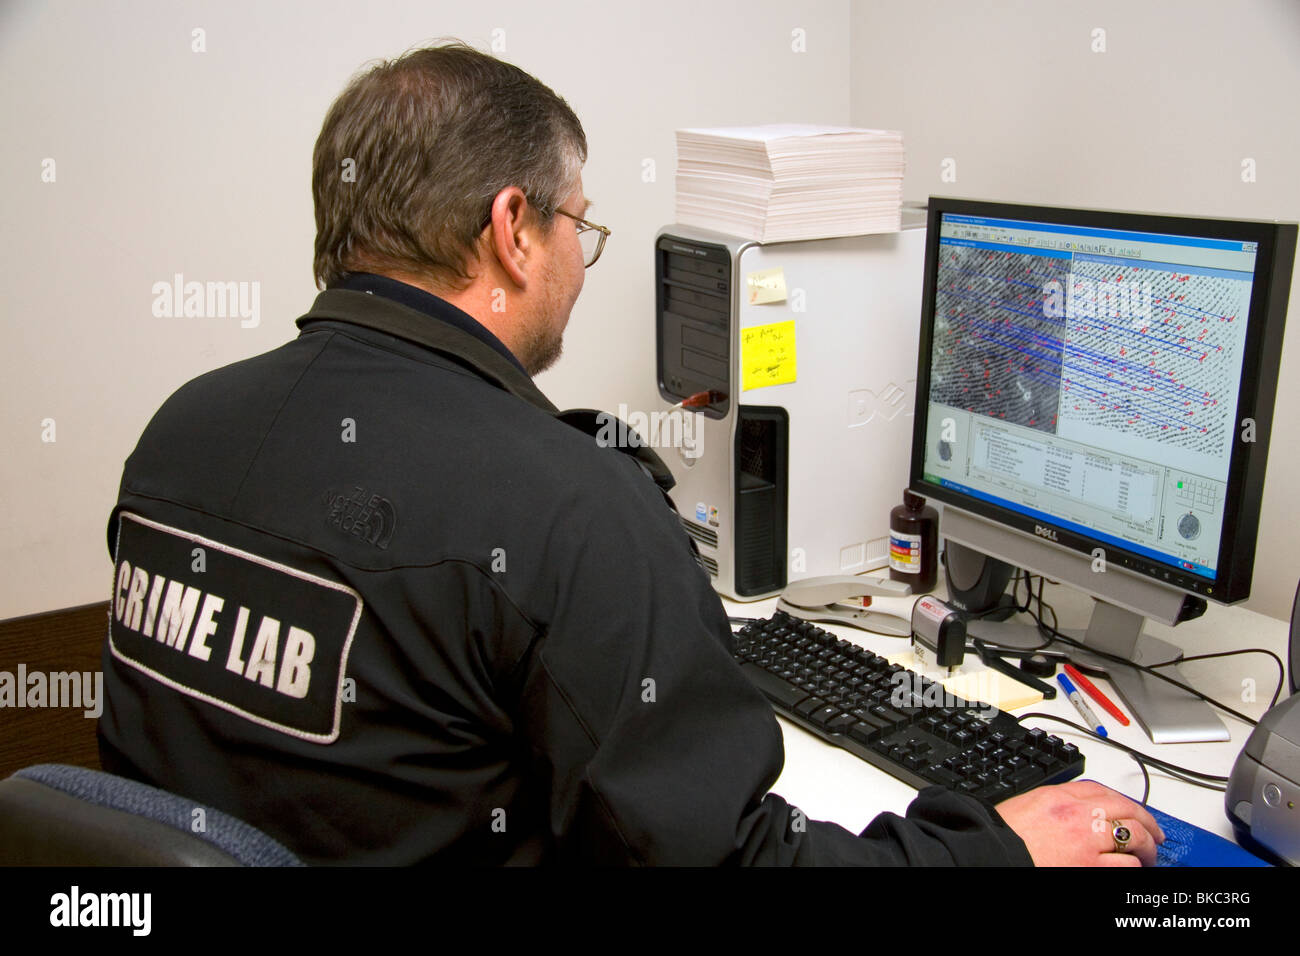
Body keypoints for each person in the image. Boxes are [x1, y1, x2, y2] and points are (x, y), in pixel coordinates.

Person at [98, 41, 1164, 866]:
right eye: (578, 224)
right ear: (512, 228)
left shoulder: (183, 429)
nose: (578, 258)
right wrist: (995, 849)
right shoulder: (564, 505)